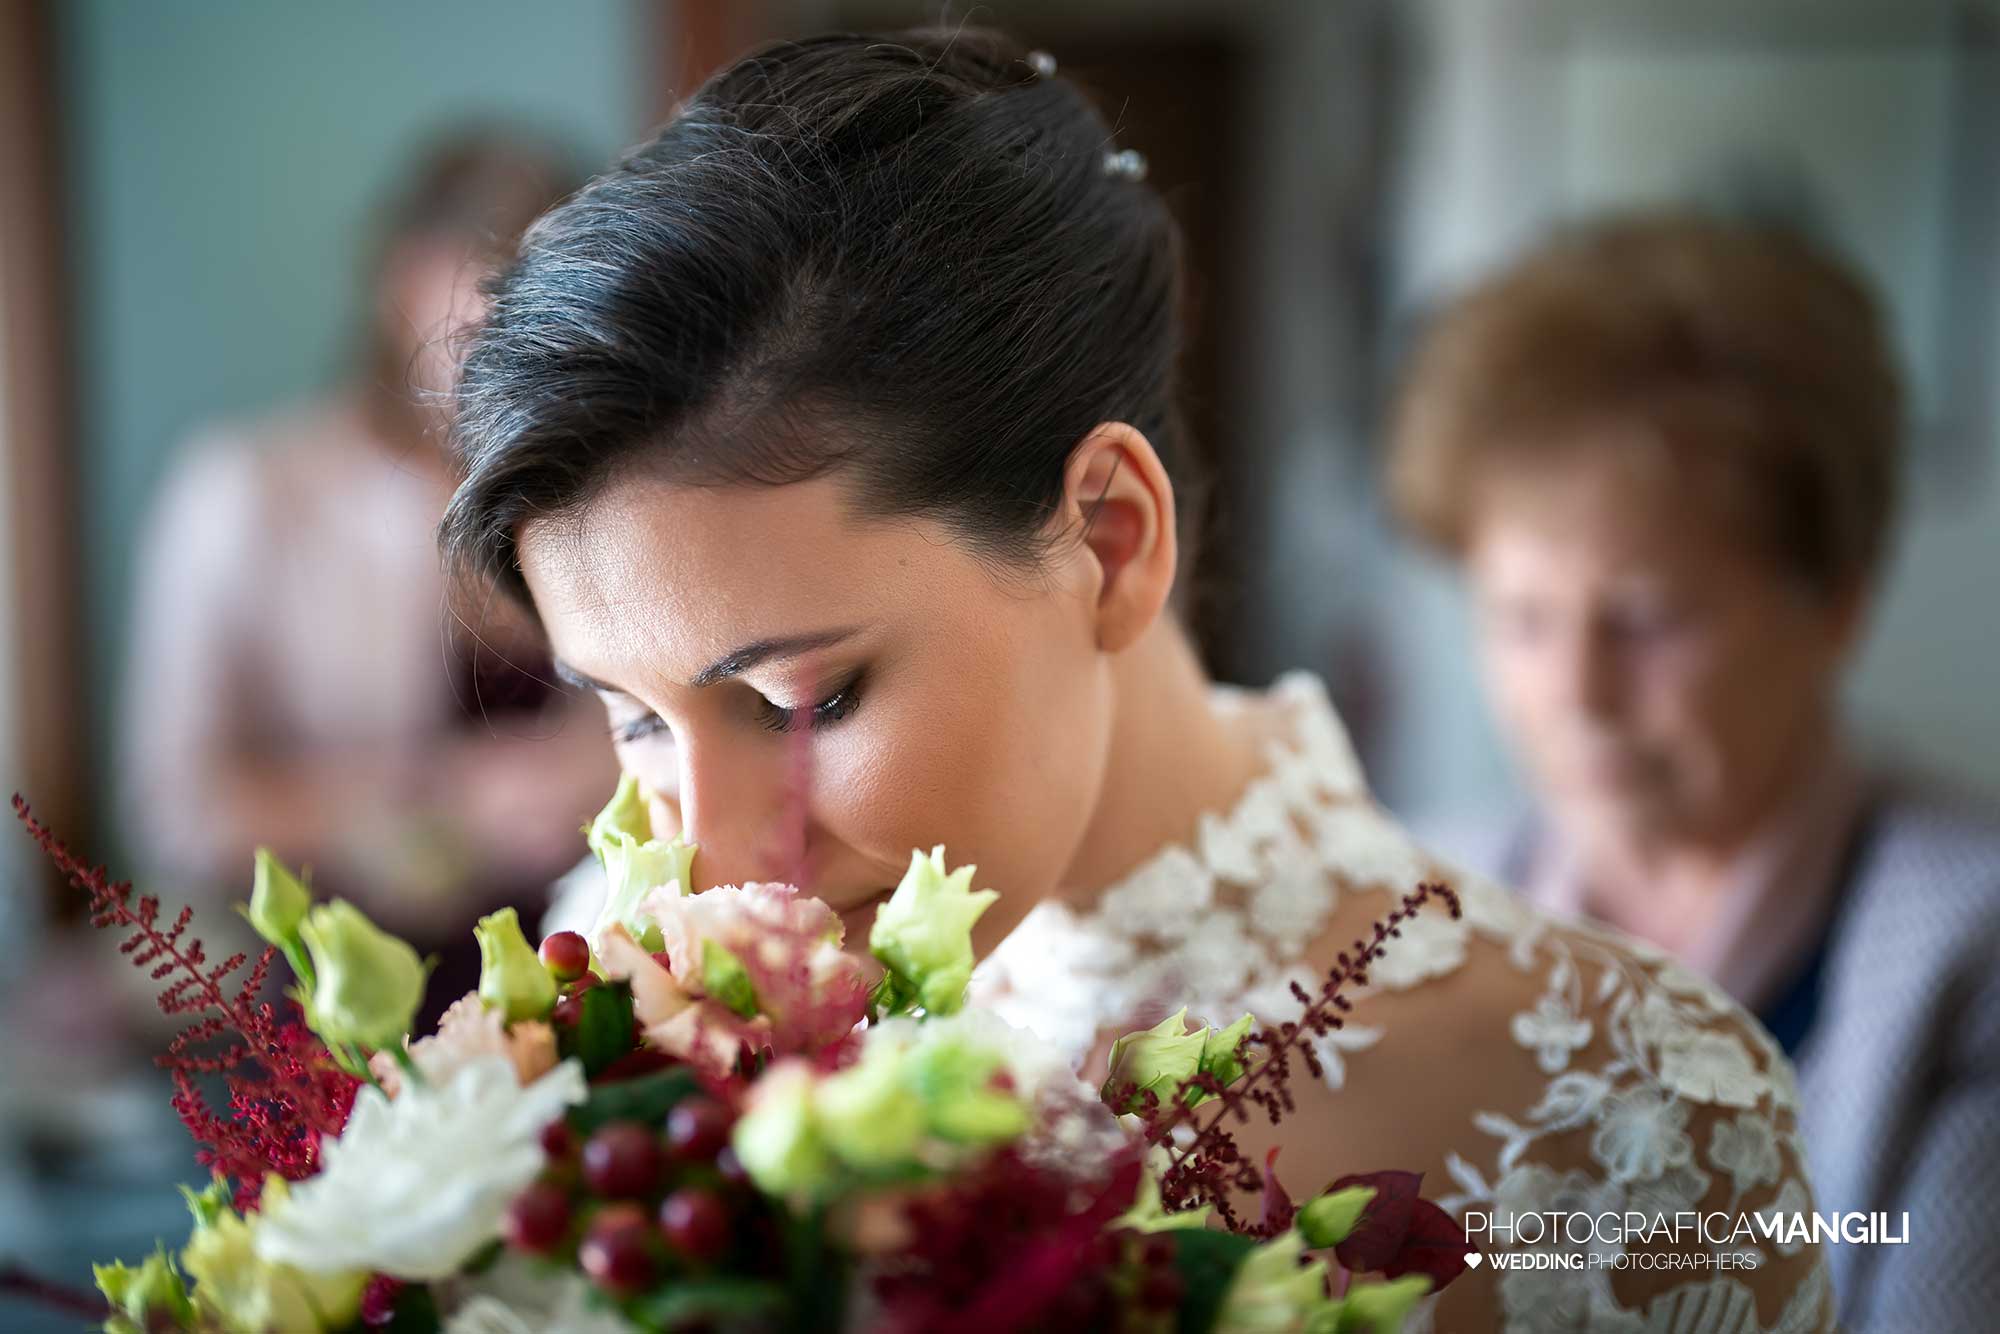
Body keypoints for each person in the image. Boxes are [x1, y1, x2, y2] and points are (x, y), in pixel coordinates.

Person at [441, 34, 1834, 1331]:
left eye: (804, 702)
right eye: (630, 715)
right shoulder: (614, 1012)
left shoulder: (1625, 1108)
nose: (706, 856)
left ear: (1109, 538)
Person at [1386, 214, 2000, 1330]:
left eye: (1644, 617)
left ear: (1835, 606)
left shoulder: (1966, 945)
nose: (1573, 690)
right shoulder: (1403, 904)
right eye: (1520, 617)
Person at [121, 127, 618, 1017]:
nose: (523, 325)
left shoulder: (600, 495)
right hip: (333, 986)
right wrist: (441, 804)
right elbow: (175, 804)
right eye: (491, 284)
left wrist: (596, 769)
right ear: (402, 279)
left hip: (578, 964)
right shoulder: (250, 491)